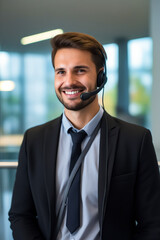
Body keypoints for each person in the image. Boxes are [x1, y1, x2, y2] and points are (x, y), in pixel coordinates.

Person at [9, 32, 160, 240]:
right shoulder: (34, 140)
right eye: (61, 72)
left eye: (80, 70)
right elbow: (20, 215)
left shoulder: (135, 140)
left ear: (100, 76)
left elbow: (153, 223)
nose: (69, 81)